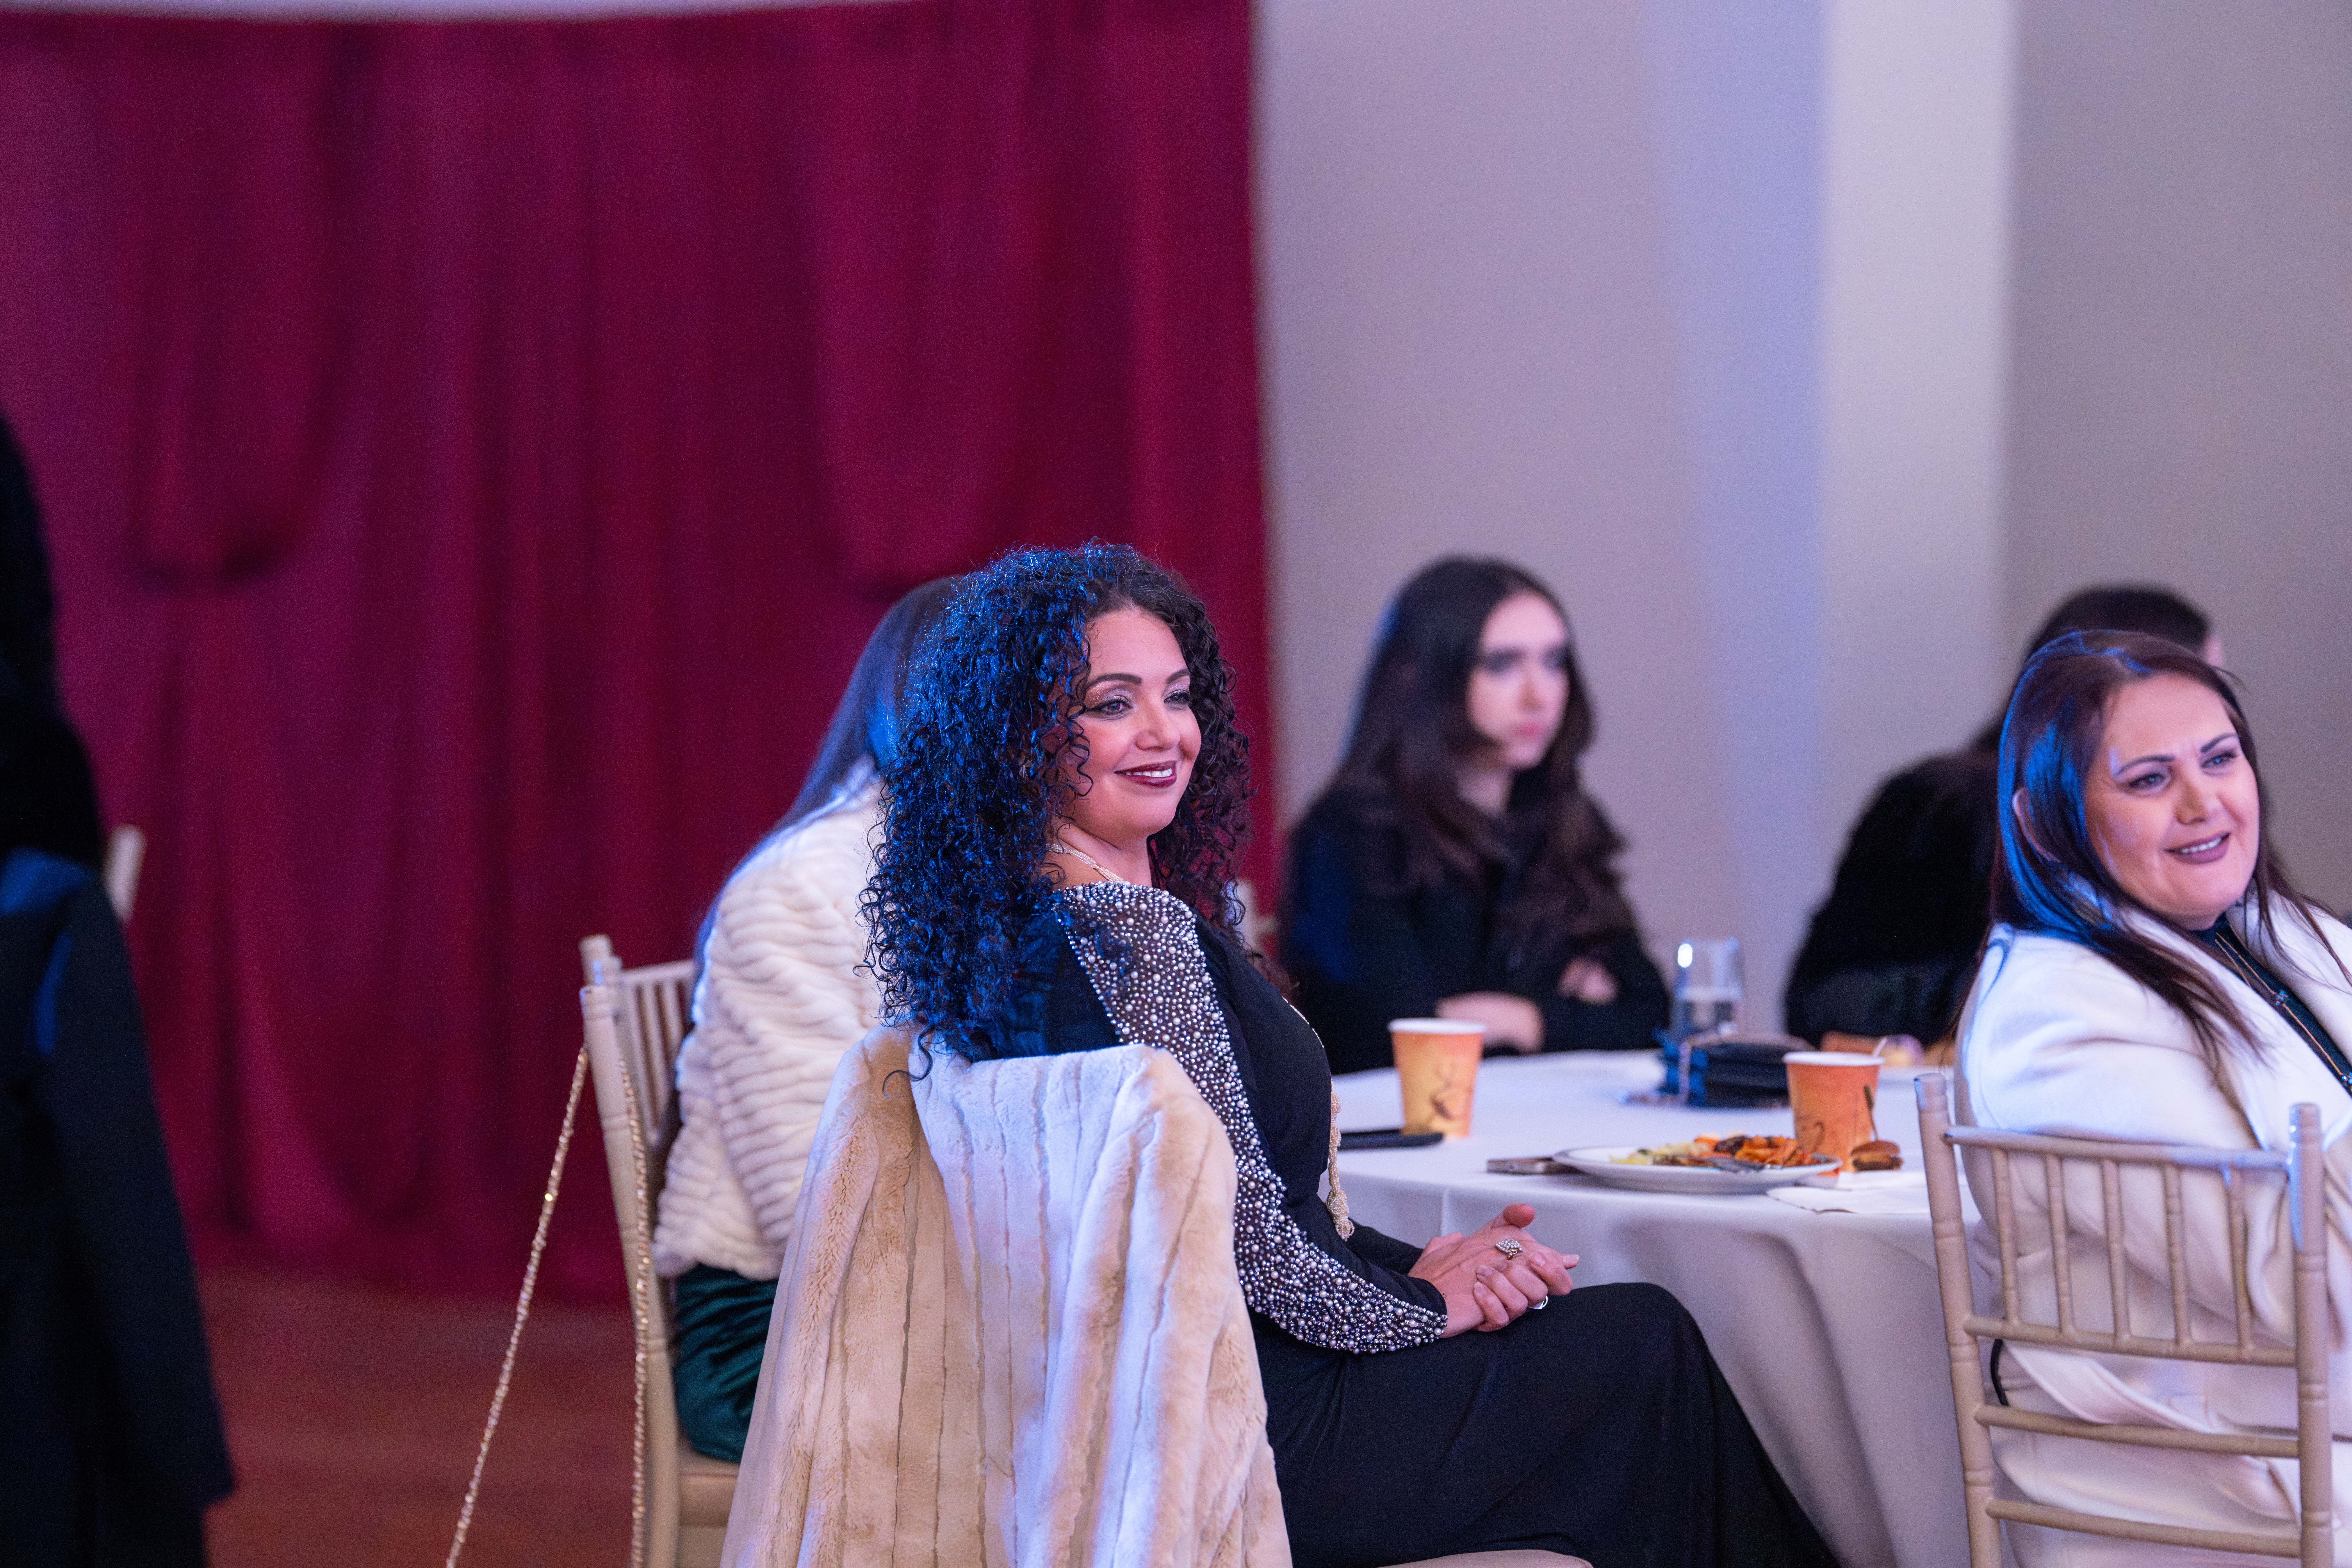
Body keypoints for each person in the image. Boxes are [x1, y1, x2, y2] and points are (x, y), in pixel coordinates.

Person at [865, 543, 1835, 1567]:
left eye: (1177, 695)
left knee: (1610, 1370)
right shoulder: (1128, 938)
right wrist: (1427, 1304)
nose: (1163, 734)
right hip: (1250, 1433)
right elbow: (1242, 1244)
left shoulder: (1017, 931)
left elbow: (1242, 1206)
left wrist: (1416, 1260)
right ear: (1021, 737)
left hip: (1144, 1416)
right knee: (1641, 1343)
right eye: (1111, 704)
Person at [1955, 631, 2352, 1566]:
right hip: (2206, 1470)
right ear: (2046, 823)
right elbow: (2296, 1289)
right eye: (2146, 780)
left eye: (2219, 759)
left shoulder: (2274, 930)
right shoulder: (2054, 1017)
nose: (2202, 801)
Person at [648, 578, 953, 1463]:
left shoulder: (1031, 869)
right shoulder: (802, 887)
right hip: (774, 1328)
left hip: (937, 1291)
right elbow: (818, 1210)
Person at [1787, 585, 2220, 1046]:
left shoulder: (2215, 820)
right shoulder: (1943, 804)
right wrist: (2046, 980)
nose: (2219, 715)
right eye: (2208, 682)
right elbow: (1823, 1000)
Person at [1282, 558, 1667, 1075]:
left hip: (1542, 1126)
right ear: (1422, 675)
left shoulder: (1560, 815)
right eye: (1503, 664)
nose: (1540, 696)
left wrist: (1521, 1020)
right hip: (1397, 1140)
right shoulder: (1356, 832)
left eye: (1554, 662)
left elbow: (1652, 1016)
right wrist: (1570, 1007)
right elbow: (1396, 1040)